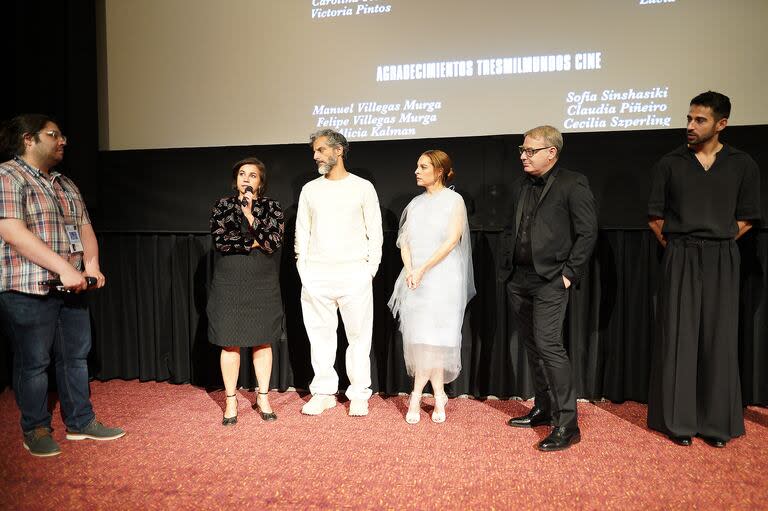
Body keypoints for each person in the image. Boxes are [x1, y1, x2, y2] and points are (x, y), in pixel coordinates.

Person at [0, 114, 125, 457]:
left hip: (72, 288)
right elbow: (13, 233)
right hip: (26, 287)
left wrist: (91, 265)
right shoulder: (7, 176)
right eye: (53, 134)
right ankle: (36, 428)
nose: (63, 141)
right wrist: (62, 268)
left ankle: (81, 422)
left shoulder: (65, 183)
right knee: (34, 362)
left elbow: (84, 227)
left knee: (75, 357)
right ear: (29, 139)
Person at [647, 91, 761, 448]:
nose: (691, 126)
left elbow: (747, 218)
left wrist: (718, 242)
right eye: (689, 119)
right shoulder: (671, 162)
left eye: (700, 120)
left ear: (721, 124)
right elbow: (655, 216)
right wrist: (680, 248)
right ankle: (679, 424)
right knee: (680, 336)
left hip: (722, 256)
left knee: (719, 336)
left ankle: (715, 424)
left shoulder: (743, 164)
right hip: (680, 253)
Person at [499, 125, 597, 451]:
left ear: (551, 152)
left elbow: (587, 233)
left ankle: (567, 424)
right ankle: (542, 408)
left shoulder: (573, 183)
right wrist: (507, 270)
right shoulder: (519, 186)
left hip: (551, 280)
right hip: (519, 279)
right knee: (532, 347)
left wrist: (569, 274)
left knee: (549, 346)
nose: (524, 156)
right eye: (522, 150)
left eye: (531, 150)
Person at [295, 129, 383, 417]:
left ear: (339, 151)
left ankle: (358, 393)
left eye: (321, 150)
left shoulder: (363, 187)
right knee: (319, 336)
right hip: (317, 276)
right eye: (314, 151)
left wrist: (369, 270)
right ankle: (323, 392)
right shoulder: (310, 189)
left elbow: (375, 233)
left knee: (359, 337)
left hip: (354, 274)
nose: (316, 156)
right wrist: (304, 271)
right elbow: (302, 234)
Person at [388, 150, 475, 424]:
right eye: (417, 166)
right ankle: (437, 394)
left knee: (436, 338)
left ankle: (416, 395)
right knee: (421, 337)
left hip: (443, 277)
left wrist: (424, 268)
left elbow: (452, 241)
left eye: (423, 166)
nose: (416, 170)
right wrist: (412, 270)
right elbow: (405, 243)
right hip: (416, 278)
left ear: (439, 171)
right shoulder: (414, 204)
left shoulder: (454, 200)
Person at [207, 157, 286, 425]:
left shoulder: (272, 207)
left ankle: (262, 397)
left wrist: (251, 215)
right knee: (230, 340)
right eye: (242, 174)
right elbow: (221, 241)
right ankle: (231, 400)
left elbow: (273, 242)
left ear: (260, 182)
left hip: (261, 281)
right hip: (230, 281)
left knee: (262, 339)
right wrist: (253, 241)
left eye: (252, 175)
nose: (246, 179)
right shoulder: (223, 206)